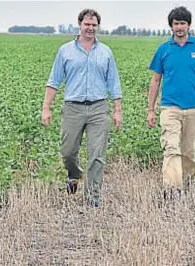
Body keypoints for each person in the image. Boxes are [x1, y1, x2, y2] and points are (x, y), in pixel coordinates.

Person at [41, 8, 122, 207]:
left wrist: (117, 110)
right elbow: (54, 81)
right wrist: (46, 107)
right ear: (80, 25)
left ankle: (92, 197)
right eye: (87, 24)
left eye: (94, 25)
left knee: (97, 155)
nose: (90, 28)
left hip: (98, 108)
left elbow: (113, 83)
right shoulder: (65, 50)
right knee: (67, 152)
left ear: (98, 27)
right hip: (73, 108)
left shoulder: (105, 52)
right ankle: (74, 174)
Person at [146, 6, 195, 198]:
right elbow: (155, 80)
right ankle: (172, 190)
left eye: (182, 23)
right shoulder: (163, 49)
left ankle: (187, 183)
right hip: (170, 107)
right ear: (171, 26)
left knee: (188, 150)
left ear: (189, 25)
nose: (179, 27)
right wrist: (150, 110)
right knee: (171, 147)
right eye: (176, 23)